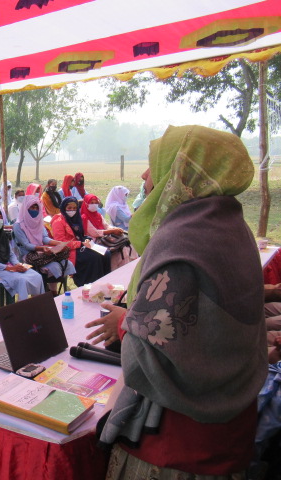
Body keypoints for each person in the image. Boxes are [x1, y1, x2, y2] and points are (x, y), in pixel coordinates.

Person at [85, 125, 267, 479]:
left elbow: (150, 357)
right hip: (230, 429)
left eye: (154, 164)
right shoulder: (231, 226)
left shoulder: (182, 241)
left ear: (181, 170)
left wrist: (124, 323)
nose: (144, 175)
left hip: (176, 445)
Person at [0, 207, 43, 300]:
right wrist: (10, 268)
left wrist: (17, 264)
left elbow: (11, 254)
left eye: (0, 217)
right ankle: (23, 306)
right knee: (22, 280)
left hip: (10, 266)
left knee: (37, 276)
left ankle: (37, 303)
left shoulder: (2, 235)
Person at [13, 196, 74, 296]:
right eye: (32, 207)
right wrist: (42, 248)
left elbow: (45, 238)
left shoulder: (39, 221)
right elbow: (26, 245)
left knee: (65, 259)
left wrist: (58, 243)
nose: (35, 210)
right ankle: (51, 292)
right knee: (54, 266)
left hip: (42, 253)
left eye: (37, 208)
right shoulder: (18, 225)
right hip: (28, 255)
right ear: (25, 208)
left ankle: (52, 291)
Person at [51, 197, 110, 286]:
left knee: (106, 253)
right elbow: (60, 243)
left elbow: (81, 235)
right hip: (68, 250)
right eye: (69, 208)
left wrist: (86, 239)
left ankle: (104, 282)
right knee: (93, 257)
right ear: (64, 208)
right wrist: (80, 243)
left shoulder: (77, 218)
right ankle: (88, 284)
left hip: (81, 246)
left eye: (74, 208)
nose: (72, 210)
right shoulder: (58, 221)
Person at [81, 193, 132, 270]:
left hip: (104, 237)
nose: (94, 205)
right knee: (111, 251)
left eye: (96, 202)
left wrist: (115, 229)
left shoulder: (98, 215)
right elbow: (94, 233)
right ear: (86, 204)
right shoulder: (84, 217)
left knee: (124, 243)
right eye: (91, 203)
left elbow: (106, 226)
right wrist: (111, 231)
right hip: (93, 241)